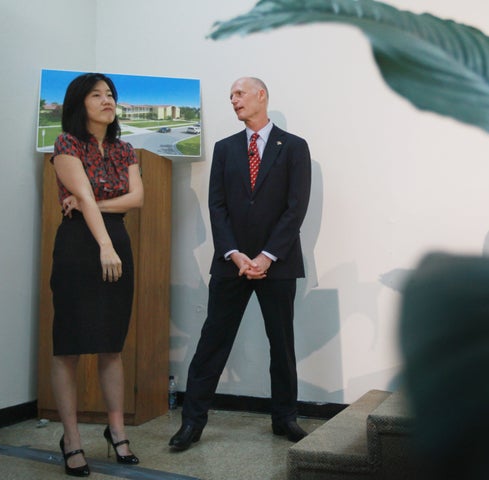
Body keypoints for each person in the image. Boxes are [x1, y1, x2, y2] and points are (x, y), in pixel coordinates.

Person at [169, 77, 312, 451]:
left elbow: (295, 209)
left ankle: (285, 418)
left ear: (261, 95)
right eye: (230, 96)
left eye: (239, 93)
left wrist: (266, 256)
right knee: (212, 343)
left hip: (277, 265)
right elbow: (217, 206)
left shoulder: (294, 147)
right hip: (231, 262)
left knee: (281, 345)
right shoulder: (226, 148)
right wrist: (234, 253)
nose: (233, 101)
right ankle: (192, 423)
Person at [49, 72, 143, 477]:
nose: (107, 100)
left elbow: (136, 198)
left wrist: (98, 212)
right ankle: (71, 439)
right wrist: (103, 244)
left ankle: (117, 431)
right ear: (79, 103)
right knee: (67, 345)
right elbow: (83, 195)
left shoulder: (126, 149)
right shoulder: (67, 143)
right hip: (79, 246)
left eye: (110, 95)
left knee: (112, 344)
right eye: (97, 94)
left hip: (117, 239)